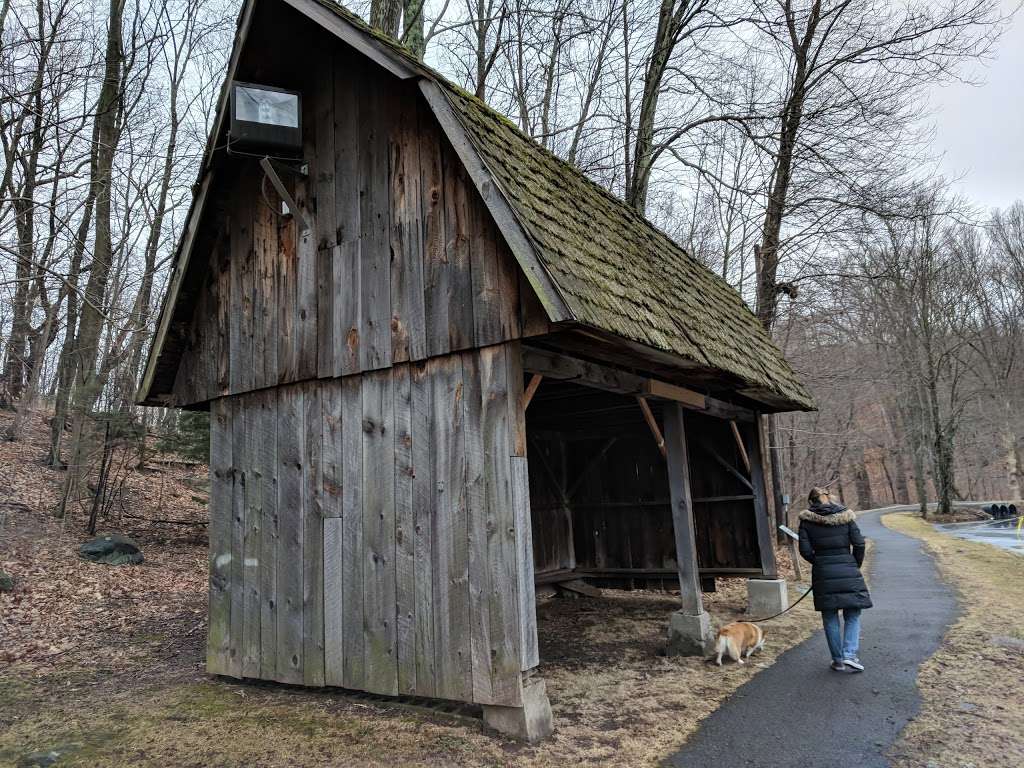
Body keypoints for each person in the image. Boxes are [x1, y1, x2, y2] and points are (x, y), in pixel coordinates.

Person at [798, 487, 872, 672]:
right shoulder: (846, 517)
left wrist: (820, 562)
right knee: (853, 613)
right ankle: (850, 655)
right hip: (848, 567)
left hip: (823, 571)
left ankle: (838, 660)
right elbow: (859, 543)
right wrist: (854, 563)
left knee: (830, 615)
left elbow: (805, 551)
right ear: (829, 498)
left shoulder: (806, 522)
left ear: (811, 502)